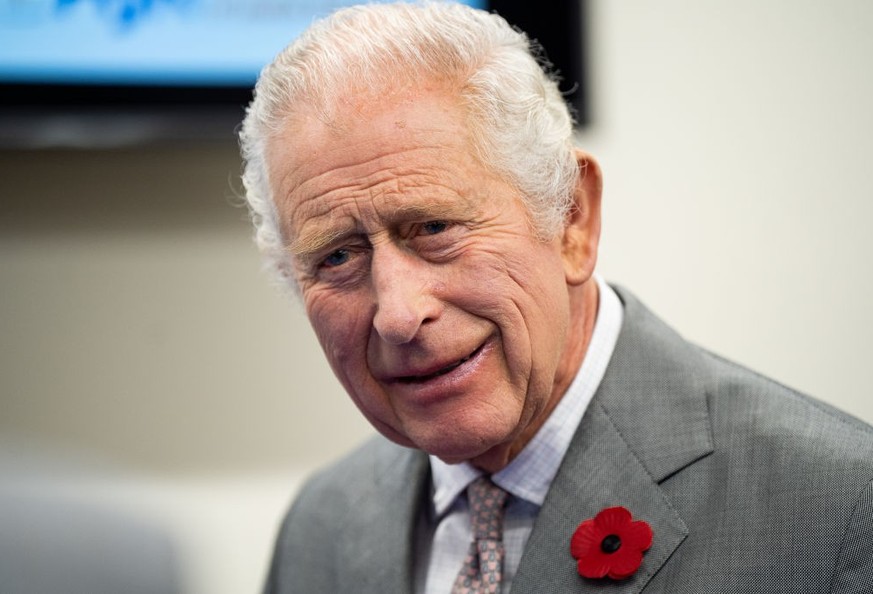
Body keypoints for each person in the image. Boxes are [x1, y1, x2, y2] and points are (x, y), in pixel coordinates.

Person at [239, 3, 873, 592]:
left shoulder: (835, 506)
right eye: (339, 257)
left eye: (433, 228)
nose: (401, 315)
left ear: (572, 219)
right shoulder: (319, 526)